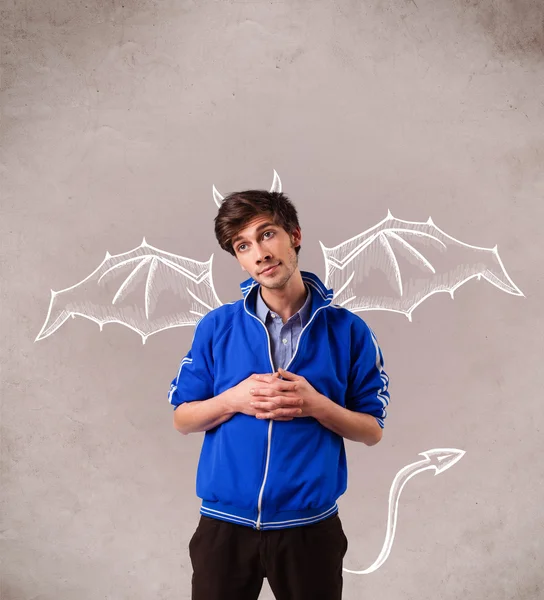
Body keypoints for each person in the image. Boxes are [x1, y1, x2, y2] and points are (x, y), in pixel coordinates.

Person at [168, 188, 390, 600]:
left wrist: (317, 405)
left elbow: (372, 429)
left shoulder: (349, 331)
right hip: (223, 526)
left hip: (310, 528)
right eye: (243, 245)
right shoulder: (217, 327)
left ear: (295, 235)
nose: (259, 253)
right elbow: (182, 419)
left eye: (267, 234)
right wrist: (232, 400)